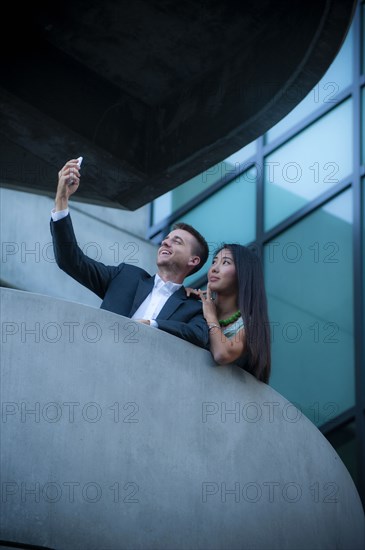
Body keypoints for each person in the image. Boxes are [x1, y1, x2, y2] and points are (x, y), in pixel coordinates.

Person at [50, 158, 210, 348]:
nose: (166, 241)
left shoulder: (194, 308)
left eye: (177, 241)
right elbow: (70, 261)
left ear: (193, 260)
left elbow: (200, 335)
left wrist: (153, 325)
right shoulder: (125, 276)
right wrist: (61, 199)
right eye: (166, 238)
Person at [188, 244, 271, 383]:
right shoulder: (198, 306)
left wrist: (210, 316)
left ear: (243, 273)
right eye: (214, 262)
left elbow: (222, 354)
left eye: (225, 262)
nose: (214, 268)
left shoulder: (250, 324)